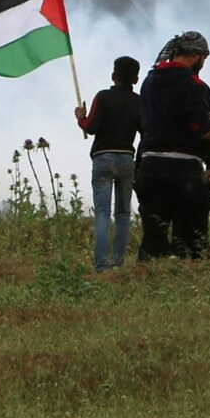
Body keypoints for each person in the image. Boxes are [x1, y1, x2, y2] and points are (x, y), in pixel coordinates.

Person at [134, 31, 210, 261]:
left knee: (153, 234)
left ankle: (145, 279)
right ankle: (192, 279)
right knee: (191, 236)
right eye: (204, 57)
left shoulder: (149, 82)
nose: (204, 63)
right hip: (183, 168)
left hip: (149, 165)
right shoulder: (195, 85)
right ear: (196, 55)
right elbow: (202, 130)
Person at [74, 55, 142, 271]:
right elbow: (145, 131)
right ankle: (119, 262)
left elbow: (91, 126)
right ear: (136, 79)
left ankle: (102, 265)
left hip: (103, 158)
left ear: (113, 76)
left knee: (102, 213)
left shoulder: (103, 97)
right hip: (126, 159)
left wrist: (80, 117)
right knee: (122, 213)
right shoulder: (139, 102)